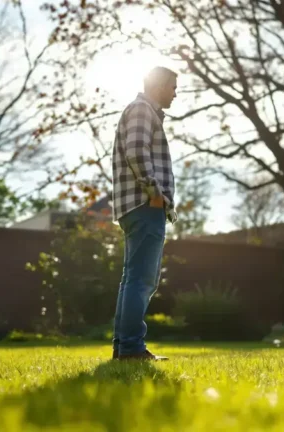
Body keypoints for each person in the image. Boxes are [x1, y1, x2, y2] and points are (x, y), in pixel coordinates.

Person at [111, 66, 179, 361]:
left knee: (133, 279)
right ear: (160, 85)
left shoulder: (143, 111)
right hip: (144, 205)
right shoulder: (141, 110)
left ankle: (124, 348)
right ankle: (131, 348)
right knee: (142, 280)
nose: (176, 93)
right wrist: (155, 193)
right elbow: (136, 151)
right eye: (173, 86)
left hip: (137, 206)